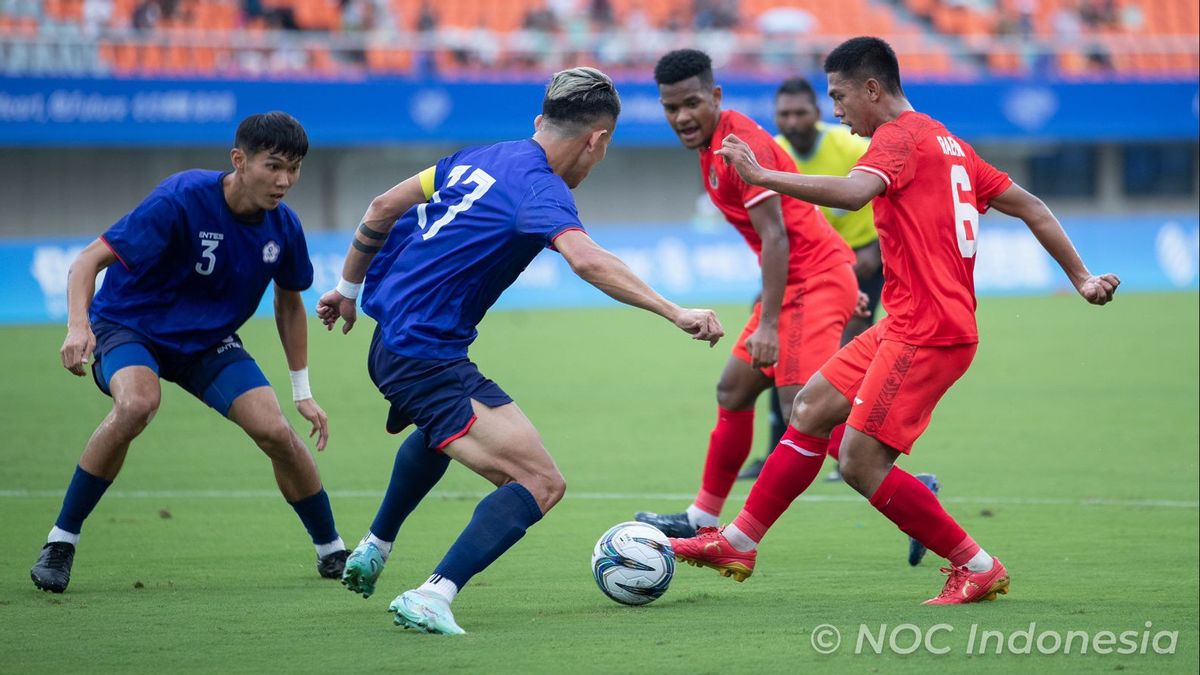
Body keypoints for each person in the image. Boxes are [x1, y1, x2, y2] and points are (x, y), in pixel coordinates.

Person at [670, 36, 1120, 604]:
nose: (835, 110)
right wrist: (1080, 276)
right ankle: (738, 540)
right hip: (906, 321)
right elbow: (1032, 205)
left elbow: (855, 194)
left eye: (838, 96)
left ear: (872, 89)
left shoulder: (898, 139)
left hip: (928, 331)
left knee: (859, 460)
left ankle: (975, 564)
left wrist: (761, 176)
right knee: (808, 407)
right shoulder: (948, 141)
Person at [315, 67, 723, 635]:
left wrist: (348, 289)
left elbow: (382, 206)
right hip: (424, 354)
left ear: (539, 122)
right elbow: (587, 260)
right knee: (539, 482)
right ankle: (433, 595)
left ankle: (376, 547)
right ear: (597, 140)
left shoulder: (474, 157)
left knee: (441, 433)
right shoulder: (540, 189)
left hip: (394, 342)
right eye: (602, 151)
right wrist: (675, 311)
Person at [31, 112, 348, 594]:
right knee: (137, 404)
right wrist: (79, 327)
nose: (285, 181)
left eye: (295, 168)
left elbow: (289, 303)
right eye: (274, 166)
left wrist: (302, 390)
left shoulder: (283, 228)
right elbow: (86, 262)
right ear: (239, 161)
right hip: (130, 326)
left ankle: (332, 550)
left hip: (205, 342)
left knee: (276, 430)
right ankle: (61, 540)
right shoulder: (181, 199)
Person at [633, 49, 862, 541]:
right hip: (812, 278)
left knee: (805, 411)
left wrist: (771, 322)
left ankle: (910, 487)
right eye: (671, 108)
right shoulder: (711, 146)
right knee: (733, 390)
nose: (682, 117)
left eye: (692, 103)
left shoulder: (742, 145)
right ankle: (702, 518)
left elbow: (777, 236)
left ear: (715, 96)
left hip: (810, 282)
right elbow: (791, 228)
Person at [748, 75, 941, 567]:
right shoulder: (774, 149)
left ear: (816, 111)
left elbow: (862, 196)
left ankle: (864, 467)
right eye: (784, 115)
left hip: (865, 263)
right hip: (814, 268)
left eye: (802, 111)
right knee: (795, 387)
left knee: (818, 386)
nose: (793, 123)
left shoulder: (848, 142)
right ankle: (782, 465)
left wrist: (859, 261)